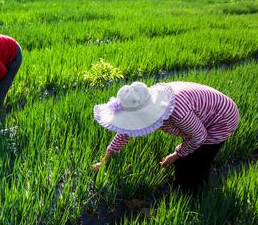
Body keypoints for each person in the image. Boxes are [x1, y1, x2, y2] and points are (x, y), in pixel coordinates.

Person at [92, 81, 239, 193]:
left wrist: (176, 154)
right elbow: (125, 133)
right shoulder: (147, 101)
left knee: (193, 164)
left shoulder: (176, 111)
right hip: (199, 122)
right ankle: (184, 192)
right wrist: (104, 161)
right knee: (185, 161)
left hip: (221, 120)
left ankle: (194, 200)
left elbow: (199, 136)